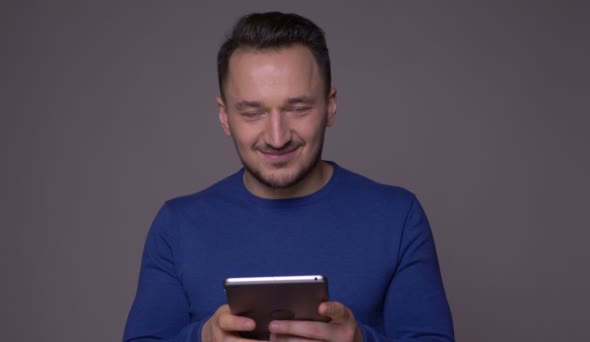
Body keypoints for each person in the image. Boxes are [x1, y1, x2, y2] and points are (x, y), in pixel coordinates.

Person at [123, 12, 454, 342]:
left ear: (330, 106)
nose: (277, 137)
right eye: (253, 112)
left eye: (298, 108)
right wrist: (202, 338)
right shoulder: (177, 226)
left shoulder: (398, 217)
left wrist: (360, 341)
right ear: (225, 117)